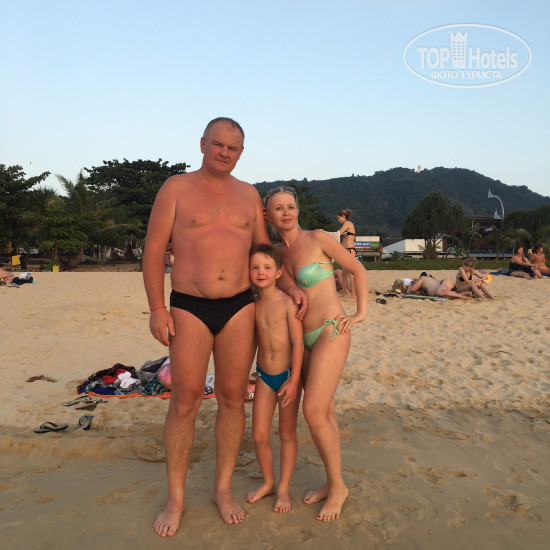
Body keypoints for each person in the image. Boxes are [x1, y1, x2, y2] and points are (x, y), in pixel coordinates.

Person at [143, 118, 305, 538]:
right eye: (217, 144)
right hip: (189, 305)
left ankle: (221, 489)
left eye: (232, 148)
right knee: (185, 399)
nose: (224, 153)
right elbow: (154, 249)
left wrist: (290, 286)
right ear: (202, 144)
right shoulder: (176, 188)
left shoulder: (248, 194)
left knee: (233, 398)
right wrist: (157, 308)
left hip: (238, 305)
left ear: (241, 153)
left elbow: (263, 251)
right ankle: (176, 498)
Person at [265, 187, 368, 521]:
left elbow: (357, 270)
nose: (286, 212)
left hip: (330, 329)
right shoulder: (276, 254)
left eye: (291, 206)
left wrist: (360, 313)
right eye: (278, 208)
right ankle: (331, 481)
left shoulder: (318, 237)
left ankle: (338, 487)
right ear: (268, 215)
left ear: (298, 210)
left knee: (312, 410)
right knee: (326, 412)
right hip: (302, 340)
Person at [246, 244, 304, 513]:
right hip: (264, 376)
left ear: (278, 272)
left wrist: (294, 380)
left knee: (286, 433)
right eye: (255, 267)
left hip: (288, 376)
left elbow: (298, 343)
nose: (261, 272)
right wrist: (246, 377)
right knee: (259, 435)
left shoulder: (287, 302)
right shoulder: (253, 306)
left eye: (267, 267)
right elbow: (252, 344)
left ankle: (283, 489)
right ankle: (268, 482)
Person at [394, 275, 472, 299]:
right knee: (444, 294)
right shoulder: (422, 287)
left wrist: (411, 282)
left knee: (439, 292)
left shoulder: (422, 278)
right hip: (445, 286)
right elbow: (411, 292)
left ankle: (462, 296)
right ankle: (464, 293)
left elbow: (410, 291)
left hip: (443, 284)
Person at [336, 209, 357, 298]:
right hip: (345, 251)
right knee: (344, 275)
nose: (338, 220)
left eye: (338, 218)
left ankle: (353, 295)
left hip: (349, 250)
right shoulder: (346, 225)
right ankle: (343, 293)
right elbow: (342, 240)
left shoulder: (348, 223)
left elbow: (339, 233)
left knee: (350, 274)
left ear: (343, 216)